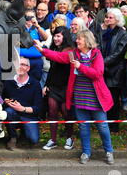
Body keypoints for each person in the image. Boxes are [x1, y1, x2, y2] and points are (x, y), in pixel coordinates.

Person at [35, 30, 115, 165]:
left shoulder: (97, 54)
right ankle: (86, 152)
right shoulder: (73, 54)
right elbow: (58, 57)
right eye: (77, 39)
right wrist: (42, 50)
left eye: (80, 39)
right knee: (83, 128)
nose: (76, 41)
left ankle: (109, 151)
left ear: (88, 41)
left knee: (102, 127)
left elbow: (97, 73)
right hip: (80, 98)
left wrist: (80, 67)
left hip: (96, 99)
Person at [40, 26, 75, 151]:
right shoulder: (54, 49)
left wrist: (43, 51)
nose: (56, 38)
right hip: (53, 87)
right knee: (52, 112)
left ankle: (70, 138)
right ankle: (53, 139)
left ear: (65, 37)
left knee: (66, 113)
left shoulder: (71, 51)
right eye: (54, 36)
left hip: (66, 87)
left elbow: (62, 60)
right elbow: (52, 70)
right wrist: (46, 85)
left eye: (58, 36)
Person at [98, 8, 127, 133]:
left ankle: (114, 126)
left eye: (110, 17)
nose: (107, 19)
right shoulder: (104, 32)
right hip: (102, 68)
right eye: (106, 17)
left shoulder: (123, 34)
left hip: (115, 70)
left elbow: (118, 53)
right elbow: (98, 46)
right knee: (103, 96)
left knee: (114, 98)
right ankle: (104, 123)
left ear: (117, 19)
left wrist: (101, 62)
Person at [2, 57, 43, 150]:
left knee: (33, 139)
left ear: (28, 68)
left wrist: (22, 108)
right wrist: (6, 101)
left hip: (29, 115)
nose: (20, 67)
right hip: (13, 113)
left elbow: (38, 108)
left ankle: (24, 134)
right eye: (18, 64)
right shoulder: (8, 81)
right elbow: (2, 98)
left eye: (23, 65)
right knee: (8, 112)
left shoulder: (35, 84)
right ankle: (13, 137)